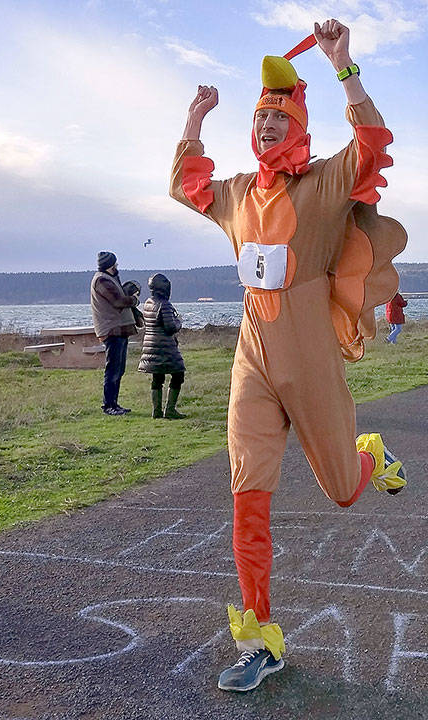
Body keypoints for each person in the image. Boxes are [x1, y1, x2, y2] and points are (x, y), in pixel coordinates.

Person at [170, 19, 408, 692]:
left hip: (310, 364)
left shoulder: (326, 185)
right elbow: (189, 185)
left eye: (278, 117)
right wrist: (194, 117)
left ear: (298, 123)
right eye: (259, 118)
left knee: (340, 491)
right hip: (254, 363)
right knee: (247, 499)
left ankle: (370, 455)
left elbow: (373, 144)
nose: (266, 126)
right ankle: (258, 641)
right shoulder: (239, 194)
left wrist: (343, 66)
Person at [90, 252, 140, 415]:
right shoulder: (102, 280)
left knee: (119, 369)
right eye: (115, 264)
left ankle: (114, 404)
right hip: (112, 330)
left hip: (118, 330)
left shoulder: (109, 279)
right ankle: (109, 405)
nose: (117, 266)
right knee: (113, 369)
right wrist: (134, 299)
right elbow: (118, 301)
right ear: (110, 265)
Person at [137, 273, 187, 419]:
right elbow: (170, 327)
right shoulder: (164, 304)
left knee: (157, 377)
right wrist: (179, 321)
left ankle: (157, 410)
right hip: (165, 346)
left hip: (150, 344)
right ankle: (170, 409)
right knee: (178, 374)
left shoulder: (148, 302)